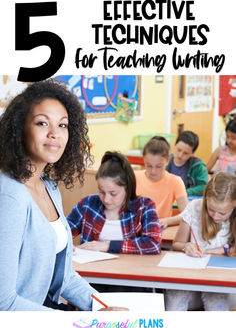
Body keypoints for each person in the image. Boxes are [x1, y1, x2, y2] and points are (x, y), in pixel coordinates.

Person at [0, 79, 127, 311]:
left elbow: (64, 276)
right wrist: (81, 323)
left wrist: (105, 308)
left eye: (63, 125)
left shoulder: (49, 187)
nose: (54, 134)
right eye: (42, 123)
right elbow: (3, 303)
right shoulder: (10, 196)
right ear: (19, 129)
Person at [165, 172, 236, 311]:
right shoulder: (194, 208)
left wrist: (224, 250)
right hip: (191, 280)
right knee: (176, 295)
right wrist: (186, 246)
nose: (215, 216)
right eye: (211, 209)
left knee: (215, 298)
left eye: (222, 213)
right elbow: (176, 244)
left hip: (224, 285)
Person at [67, 151, 162, 255]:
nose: (106, 199)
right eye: (102, 192)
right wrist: (64, 245)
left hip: (128, 269)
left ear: (127, 188)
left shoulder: (144, 207)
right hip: (91, 268)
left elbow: (153, 244)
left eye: (113, 193)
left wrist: (108, 245)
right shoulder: (87, 205)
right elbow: (62, 234)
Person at [135, 136, 188, 229]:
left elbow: (187, 214)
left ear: (168, 160)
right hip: (135, 228)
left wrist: (167, 221)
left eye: (159, 166)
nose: (153, 171)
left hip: (160, 230)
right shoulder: (134, 177)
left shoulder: (175, 181)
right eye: (149, 166)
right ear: (143, 160)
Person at [166, 130, 208, 196]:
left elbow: (203, 187)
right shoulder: (165, 162)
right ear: (175, 145)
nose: (180, 155)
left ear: (192, 154)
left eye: (185, 153)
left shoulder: (198, 167)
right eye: (178, 150)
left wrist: (185, 192)